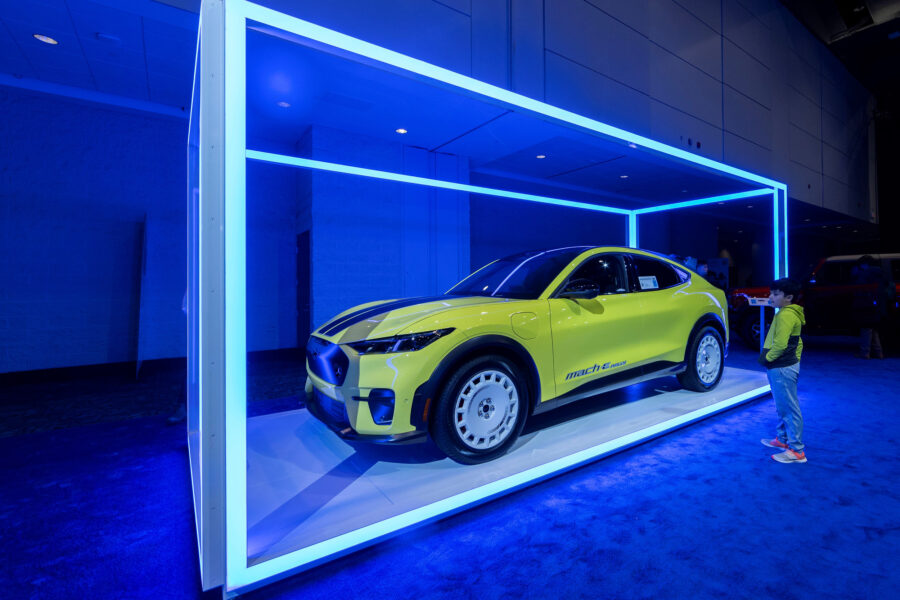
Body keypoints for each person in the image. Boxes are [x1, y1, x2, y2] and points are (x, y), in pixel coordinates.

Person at [759, 278, 807, 464]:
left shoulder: (786, 315)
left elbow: (780, 344)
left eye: (776, 294)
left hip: (781, 367)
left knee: (789, 408)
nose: (771, 296)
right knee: (783, 406)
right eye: (771, 292)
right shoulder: (788, 313)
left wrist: (767, 358)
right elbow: (798, 343)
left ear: (789, 297)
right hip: (784, 366)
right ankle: (782, 440)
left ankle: (797, 451)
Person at [850, 255, 886, 359]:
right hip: (876, 305)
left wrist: (856, 274)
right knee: (873, 330)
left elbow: (859, 289)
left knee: (866, 329)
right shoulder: (879, 273)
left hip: (866, 305)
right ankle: (879, 353)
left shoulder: (865, 274)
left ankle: (865, 353)